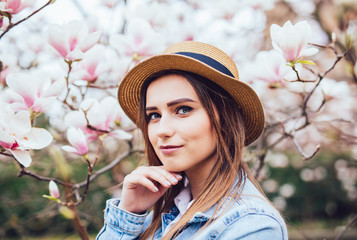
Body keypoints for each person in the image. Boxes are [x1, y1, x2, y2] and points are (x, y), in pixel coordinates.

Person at [96, 41, 288, 240]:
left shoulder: (252, 226)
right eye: (154, 115)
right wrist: (128, 214)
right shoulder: (153, 216)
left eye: (183, 110)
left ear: (225, 119)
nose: (162, 130)